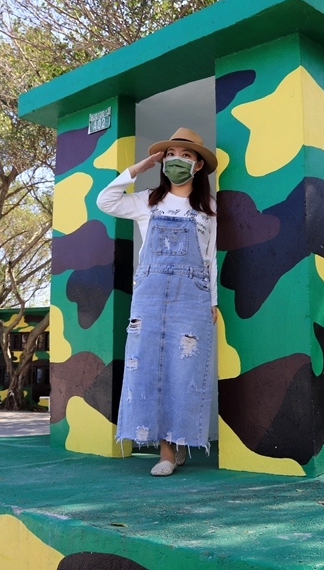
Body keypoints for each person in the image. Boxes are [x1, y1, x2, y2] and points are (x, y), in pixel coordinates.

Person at [96, 127, 218, 477]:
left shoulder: (209, 207)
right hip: (149, 296)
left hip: (191, 296)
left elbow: (212, 257)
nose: (175, 160)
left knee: (185, 369)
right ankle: (164, 452)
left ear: (197, 165)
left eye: (185, 155)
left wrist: (213, 301)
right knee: (148, 365)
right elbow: (106, 201)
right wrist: (138, 168)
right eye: (170, 154)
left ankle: (178, 440)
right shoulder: (146, 200)